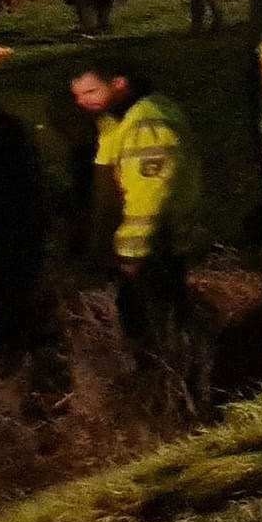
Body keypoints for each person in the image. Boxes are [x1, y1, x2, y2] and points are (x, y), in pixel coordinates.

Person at [69, 63, 203, 363]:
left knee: (157, 328)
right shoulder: (115, 123)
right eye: (77, 95)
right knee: (150, 325)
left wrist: (133, 254)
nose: (83, 100)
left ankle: (174, 390)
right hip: (138, 250)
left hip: (153, 248)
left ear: (119, 84)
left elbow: (149, 197)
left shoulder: (147, 124)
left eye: (91, 90)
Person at [0, 56, 70, 403]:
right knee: (30, 319)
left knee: (21, 320)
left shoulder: (4, 132)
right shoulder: (10, 128)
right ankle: (43, 394)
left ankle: (35, 398)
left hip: (12, 243)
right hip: (21, 240)